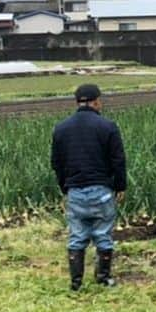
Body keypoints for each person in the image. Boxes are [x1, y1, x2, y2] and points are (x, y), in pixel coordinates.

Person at [50, 83, 127, 291]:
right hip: (101, 189)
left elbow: (56, 163)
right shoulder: (108, 126)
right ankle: (103, 277)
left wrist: (65, 188)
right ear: (96, 101)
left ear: (77, 102)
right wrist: (120, 186)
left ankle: (76, 282)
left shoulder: (61, 128)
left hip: (75, 189)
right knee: (103, 233)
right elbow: (118, 160)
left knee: (77, 235)